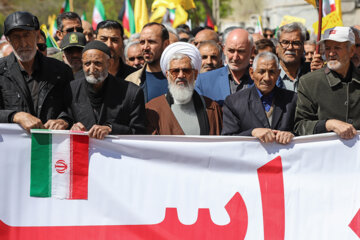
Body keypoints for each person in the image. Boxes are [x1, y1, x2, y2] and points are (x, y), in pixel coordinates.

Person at [0, 11, 74, 132]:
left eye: (26, 35)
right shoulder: (1, 71)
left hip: (51, 147)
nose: (23, 43)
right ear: (8, 40)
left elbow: (74, 108)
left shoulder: (61, 71)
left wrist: (64, 120)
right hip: (13, 149)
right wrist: (15, 116)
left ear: (37, 35)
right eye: (16, 37)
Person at [70, 41, 146, 139]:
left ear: (109, 63)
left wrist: (111, 129)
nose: (92, 69)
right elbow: (66, 119)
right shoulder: (72, 89)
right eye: (87, 64)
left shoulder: (131, 92)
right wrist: (71, 126)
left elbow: (139, 133)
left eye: (97, 63)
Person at [294, 27, 360, 139]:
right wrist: (329, 124)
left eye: (337, 48)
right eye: (328, 48)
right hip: (325, 155)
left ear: (351, 51)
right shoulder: (309, 82)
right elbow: (300, 126)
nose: (331, 53)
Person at [146, 42, 222, 135]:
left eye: (186, 70)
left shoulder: (212, 108)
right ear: (167, 75)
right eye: (175, 71)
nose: (181, 75)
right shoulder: (153, 109)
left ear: (195, 74)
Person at [222, 52, 296, 144]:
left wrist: (292, 135)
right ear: (252, 73)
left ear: (278, 74)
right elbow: (228, 140)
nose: (267, 78)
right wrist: (252, 132)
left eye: (272, 72)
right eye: (261, 72)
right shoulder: (234, 102)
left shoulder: (292, 100)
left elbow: (303, 133)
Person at [195, 28, 254, 105]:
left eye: (241, 51)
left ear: (252, 51)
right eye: (231, 51)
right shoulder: (203, 81)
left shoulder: (264, 79)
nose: (235, 57)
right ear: (224, 49)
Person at [126, 22, 170, 102]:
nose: (145, 47)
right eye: (142, 42)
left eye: (151, 42)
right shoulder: (132, 81)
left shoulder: (179, 76)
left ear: (166, 44)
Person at [276, 22, 311, 92]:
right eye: (285, 42)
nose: (290, 47)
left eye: (296, 43)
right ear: (277, 47)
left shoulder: (312, 73)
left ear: (303, 47)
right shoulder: (269, 75)